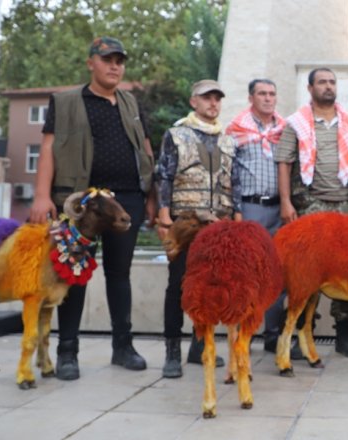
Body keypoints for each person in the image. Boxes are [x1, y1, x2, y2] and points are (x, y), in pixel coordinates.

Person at [28, 37, 155, 380]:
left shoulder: (130, 102)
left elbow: (145, 150)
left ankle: (123, 347)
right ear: (91, 63)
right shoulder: (67, 101)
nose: (115, 66)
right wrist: (41, 195)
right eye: (107, 59)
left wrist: (153, 198)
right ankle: (67, 351)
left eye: (120, 60)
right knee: (74, 274)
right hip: (80, 202)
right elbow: (49, 149)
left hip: (126, 199)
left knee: (120, 273)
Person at [275, 67, 348, 359]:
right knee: (306, 271)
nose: (328, 87)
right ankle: (302, 334)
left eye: (332, 82)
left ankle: (344, 335)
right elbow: (284, 163)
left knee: (347, 269)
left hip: (345, 206)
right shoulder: (296, 124)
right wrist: (286, 203)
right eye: (322, 82)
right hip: (310, 205)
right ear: (310, 88)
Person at [155, 79, 234, 378]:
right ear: (194, 102)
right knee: (177, 286)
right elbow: (164, 175)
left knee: (210, 286)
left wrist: (235, 220)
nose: (213, 103)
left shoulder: (227, 139)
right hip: (185, 223)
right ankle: (172, 352)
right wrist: (164, 216)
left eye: (217, 98)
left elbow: (233, 183)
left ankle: (200, 345)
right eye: (206, 98)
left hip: (218, 225)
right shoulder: (176, 135)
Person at [224, 78, 299, 357]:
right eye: (262, 94)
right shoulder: (236, 129)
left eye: (272, 93)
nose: (268, 98)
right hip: (250, 208)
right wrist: (236, 210)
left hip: (279, 208)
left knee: (276, 271)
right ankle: (245, 332)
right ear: (251, 98)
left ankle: (272, 335)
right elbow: (228, 172)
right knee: (249, 271)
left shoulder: (285, 129)